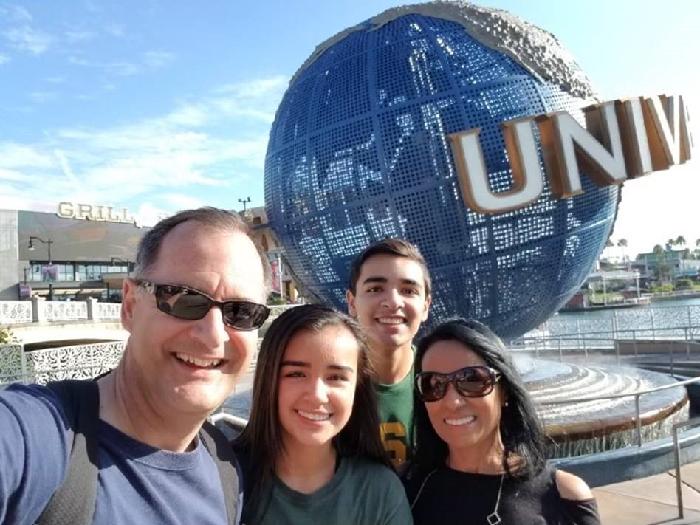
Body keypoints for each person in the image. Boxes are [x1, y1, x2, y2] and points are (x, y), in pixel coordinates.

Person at [0, 207, 271, 525]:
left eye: (241, 312)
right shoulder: (35, 438)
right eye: (184, 298)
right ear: (130, 306)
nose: (213, 336)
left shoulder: (227, 473)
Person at [404, 319, 600, 525]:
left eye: (472, 380)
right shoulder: (406, 489)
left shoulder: (563, 497)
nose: (452, 402)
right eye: (433, 384)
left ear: (504, 390)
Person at [235, 303, 412, 525]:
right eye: (296, 374)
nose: (317, 395)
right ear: (268, 378)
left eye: (336, 377)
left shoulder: (379, 491)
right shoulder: (226, 478)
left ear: (358, 388)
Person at [346, 238, 431, 467]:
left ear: (425, 306)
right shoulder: (330, 386)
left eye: (408, 291)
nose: (393, 302)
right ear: (352, 303)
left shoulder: (445, 382)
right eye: (375, 289)